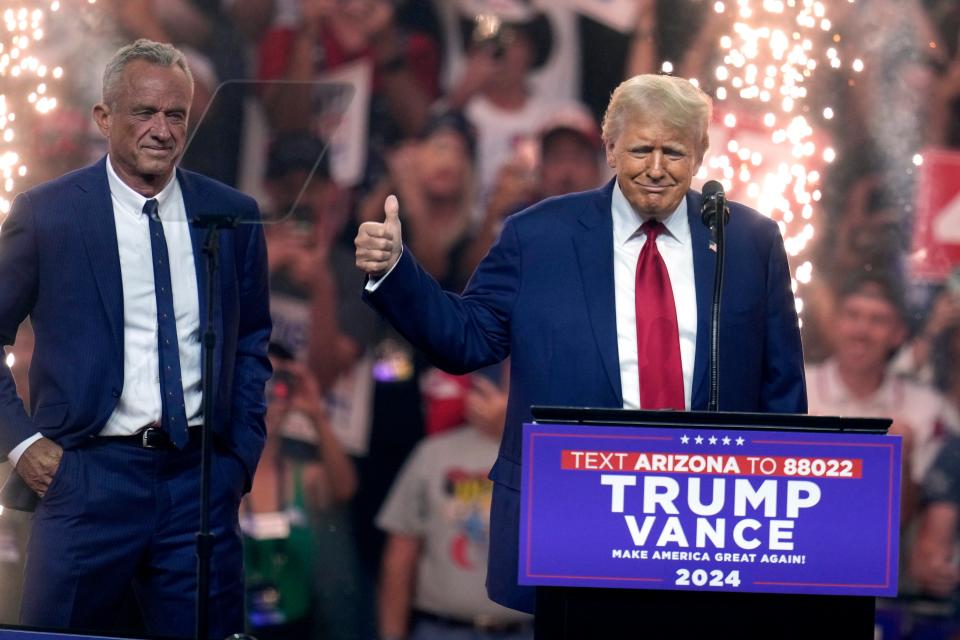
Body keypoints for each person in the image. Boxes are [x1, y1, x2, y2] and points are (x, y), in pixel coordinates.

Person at [355, 73, 807, 615]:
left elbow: (783, 394)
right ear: (610, 147)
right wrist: (396, 272)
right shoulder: (537, 237)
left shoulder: (750, 241)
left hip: (712, 532)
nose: (657, 168)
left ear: (702, 152)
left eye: (675, 152)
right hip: (575, 521)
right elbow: (467, 338)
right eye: (641, 149)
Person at [0, 39, 271, 638]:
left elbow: (252, 342)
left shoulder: (231, 215)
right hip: (84, 477)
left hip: (198, 483)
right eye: (143, 112)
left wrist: (238, 457)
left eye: (175, 115)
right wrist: (22, 446)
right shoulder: (48, 214)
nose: (161, 129)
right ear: (105, 118)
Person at [376, 370, 533, 640]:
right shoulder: (433, 454)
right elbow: (400, 558)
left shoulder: (544, 453)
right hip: (442, 629)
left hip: (525, 631)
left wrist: (514, 436)